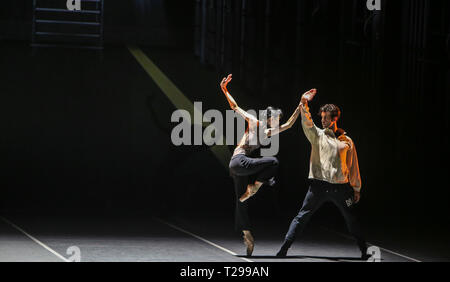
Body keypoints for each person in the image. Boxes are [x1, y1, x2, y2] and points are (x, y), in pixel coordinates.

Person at [220, 74, 314, 257]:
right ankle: (255, 186)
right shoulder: (254, 122)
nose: (278, 123)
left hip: (238, 168)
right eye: (276, 119)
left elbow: (288, 125)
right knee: (273, 161)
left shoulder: (268, 132)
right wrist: (224, 89)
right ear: (269, 118)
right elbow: (235, 107)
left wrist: (301, 104)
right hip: (238, 161)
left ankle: (246, 234)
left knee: (241, 201)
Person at [276, 90, 369, 260]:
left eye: (326, 117)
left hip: (341, 189)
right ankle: (284, 248)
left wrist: (356, 188)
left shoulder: (347, 141)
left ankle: (363, 250)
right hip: (318, 187)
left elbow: (353, 166)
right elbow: (307, 121)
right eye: (322, 117)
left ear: (334, 119)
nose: (323, 120)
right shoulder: (317, 135)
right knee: (301, 217)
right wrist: (304, 102)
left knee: (352, 219)